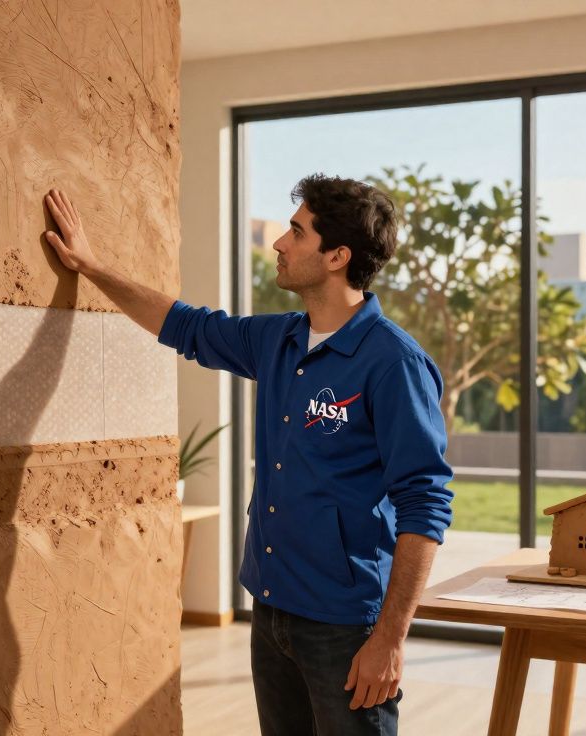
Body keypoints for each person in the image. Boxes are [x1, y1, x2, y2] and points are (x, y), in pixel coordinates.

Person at [43, 174, 453, 736]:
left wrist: (390, 639)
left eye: (296, 232)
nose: (281, 245)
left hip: (345, 626)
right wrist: (90, 266)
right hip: (271, 608)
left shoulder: (394, 363)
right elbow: (183, 324)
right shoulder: (278, 340)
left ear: (337, 255)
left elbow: (425, 504)